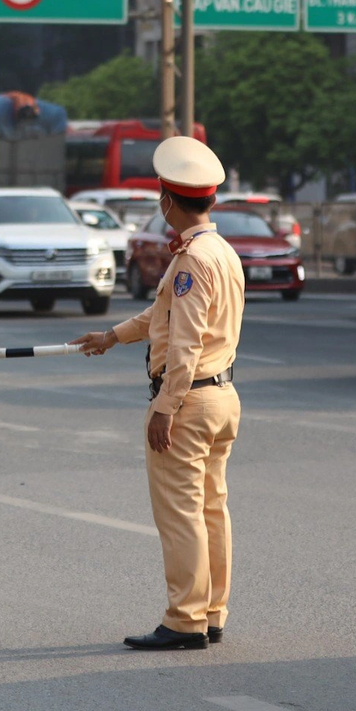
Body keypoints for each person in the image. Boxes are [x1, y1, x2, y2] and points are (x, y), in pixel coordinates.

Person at [70, 136, 245, 651]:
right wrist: (112, 337)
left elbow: (185, 342)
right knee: (212, 508)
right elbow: (162, 317)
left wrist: (164, 407)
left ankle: (185, 619)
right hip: (223, 397)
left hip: (189, 401)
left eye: (160, 198)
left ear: (169, 200)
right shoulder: (220, 252)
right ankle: (212, 612)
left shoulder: (191, 260)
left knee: (181, 514)